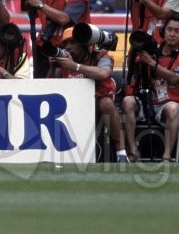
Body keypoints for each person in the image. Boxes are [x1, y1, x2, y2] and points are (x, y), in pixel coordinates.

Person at [122, 14, 179, 162]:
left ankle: (167, 156)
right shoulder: (151, 48)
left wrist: (152, 63)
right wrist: (134, 53)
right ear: (163, 31)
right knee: (127, 101)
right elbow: (134, 69)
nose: (172, 34)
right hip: (147, 99)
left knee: (173, 109)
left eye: (177, 31)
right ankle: (132, 151)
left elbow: (175, 78)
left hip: (170, 103)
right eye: (169, 29)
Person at [48, 29, 127, 162]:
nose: (68, 47)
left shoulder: (100, 56)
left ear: (84, 43)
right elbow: (47, 90)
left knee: (106, 103)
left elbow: (103, 74)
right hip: (70, 105)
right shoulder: (63, 63)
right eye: (64, 44)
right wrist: (51, 67)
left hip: (97, 103)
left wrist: (75, 66)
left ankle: (122, 153)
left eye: (72, 42)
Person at [24, 0, 90, 77]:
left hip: (68, 49)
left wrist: (39, 3)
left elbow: (63, 19)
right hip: (45, 47)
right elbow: (32, 15)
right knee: (41, 85)